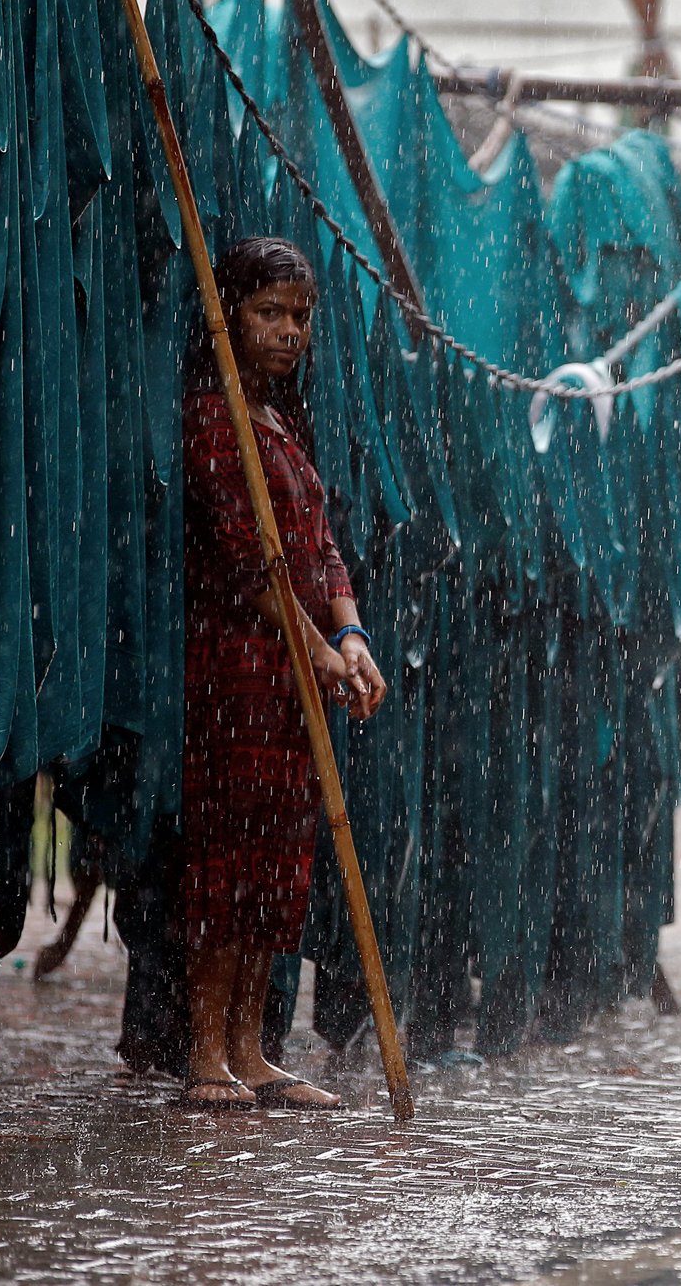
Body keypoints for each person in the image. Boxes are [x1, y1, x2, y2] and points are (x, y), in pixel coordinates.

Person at [178, 237, 388, 1110]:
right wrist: (315, 645)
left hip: (299, 675)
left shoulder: (281, 423)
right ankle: (203, 1050)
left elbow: (321, 546)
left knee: (278, 859)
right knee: (228, 856)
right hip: (238, 673)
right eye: (268, 312)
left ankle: (252, 1047)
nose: (288, 330)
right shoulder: (211, 419)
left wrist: (352, 636)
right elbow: (250, 564)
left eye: (300, 315)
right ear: (229, 315)